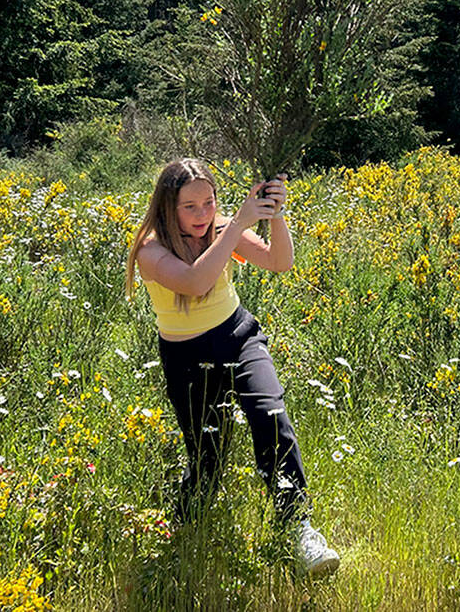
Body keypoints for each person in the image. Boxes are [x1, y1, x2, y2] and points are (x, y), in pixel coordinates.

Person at [125, 159, 340, 577]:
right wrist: (238, 222)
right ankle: (184, 530)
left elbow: (279, 262)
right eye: (191, 206)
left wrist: (274, 216)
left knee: (270, 416)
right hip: (186, 357)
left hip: (238, 336)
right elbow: (193, 282)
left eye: (210, 202)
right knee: (208, 459)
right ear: (168, 206)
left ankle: (299, 528)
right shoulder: (151, 249)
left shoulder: (223, 228)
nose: (204, 214)